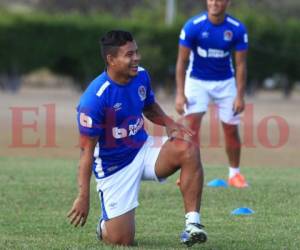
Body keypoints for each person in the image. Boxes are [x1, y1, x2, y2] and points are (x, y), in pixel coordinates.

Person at [67, 30, 207, 247]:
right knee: (122, 240)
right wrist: (83, 196)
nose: (137, 58)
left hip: (143, 148)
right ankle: (104, 226)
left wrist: (170, 124)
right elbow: (86, 153)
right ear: (111, 60)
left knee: (187, 149)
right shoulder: (93, 100)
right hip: (115, 168)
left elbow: (149, 106)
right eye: (129, 54)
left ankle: (193, 225)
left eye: (137, 52)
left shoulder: (141, 75)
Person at [175, 0, 248, 188]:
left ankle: (235, 174)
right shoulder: (193, 26)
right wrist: (180, 94)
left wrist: (240, 95)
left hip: (226, 83)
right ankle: (188, 172)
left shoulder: (237, 29)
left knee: (231, 129)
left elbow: (240, 65)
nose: (215, 3)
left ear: (228, 3)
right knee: (191, 127)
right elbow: (181, 62)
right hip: (196, 81)